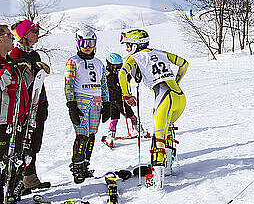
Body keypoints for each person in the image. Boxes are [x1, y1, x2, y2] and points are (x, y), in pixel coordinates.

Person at [118, 29, 188, 189]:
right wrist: (176, 80)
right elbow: (184, 63)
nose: (127, 49)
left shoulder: (134, 57)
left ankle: (157, 181)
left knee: (158, 138)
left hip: (163, 97)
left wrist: (127, 95)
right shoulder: (160, 52)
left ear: (135, 45)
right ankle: (168, 169)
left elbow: (122, 74)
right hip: (179, 96)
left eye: (128, 45)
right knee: (167, 130)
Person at [64, 28, 110, 184]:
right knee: (81, 136)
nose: (87, 46)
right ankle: (76, 167)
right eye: (84, 43)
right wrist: (71, 105)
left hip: (96, 101)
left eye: (91, 43)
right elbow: (68, 84)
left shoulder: (98, 63)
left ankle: (85, 164)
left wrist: (107, 102)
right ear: (78, 43)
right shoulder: (73, 61)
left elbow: (104, 83)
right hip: (81, 101)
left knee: (91, 135)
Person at [9, 19, 50, 191]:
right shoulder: (16, 53)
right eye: (33, 31)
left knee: (34, 141)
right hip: (24, 105)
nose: (37, 34)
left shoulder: (35, 54)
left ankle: (30, 178)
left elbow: (40, 82)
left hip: (37, 102)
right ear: (24, 34)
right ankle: (18, 181)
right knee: (22, 141)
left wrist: (44, 101)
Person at [0, 25, 30, 202]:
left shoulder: (8, 62)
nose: (13, 38)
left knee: (13, 159)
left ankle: (10, 192)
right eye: (9, 35)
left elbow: (20, 89)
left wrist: (27, 71)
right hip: (2, 121)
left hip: (14, 118)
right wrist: (4, 75)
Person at [103, 52, 146, 148]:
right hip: (118, 100)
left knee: (116, 118)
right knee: (129, 116)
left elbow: (128, 80)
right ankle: (140, 131)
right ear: (109, 65)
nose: (118, 69)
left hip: (115, 100)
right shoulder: (108, 76)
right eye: (116, 66)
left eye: (120, 66)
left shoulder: (118, 74)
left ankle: (111, 137)